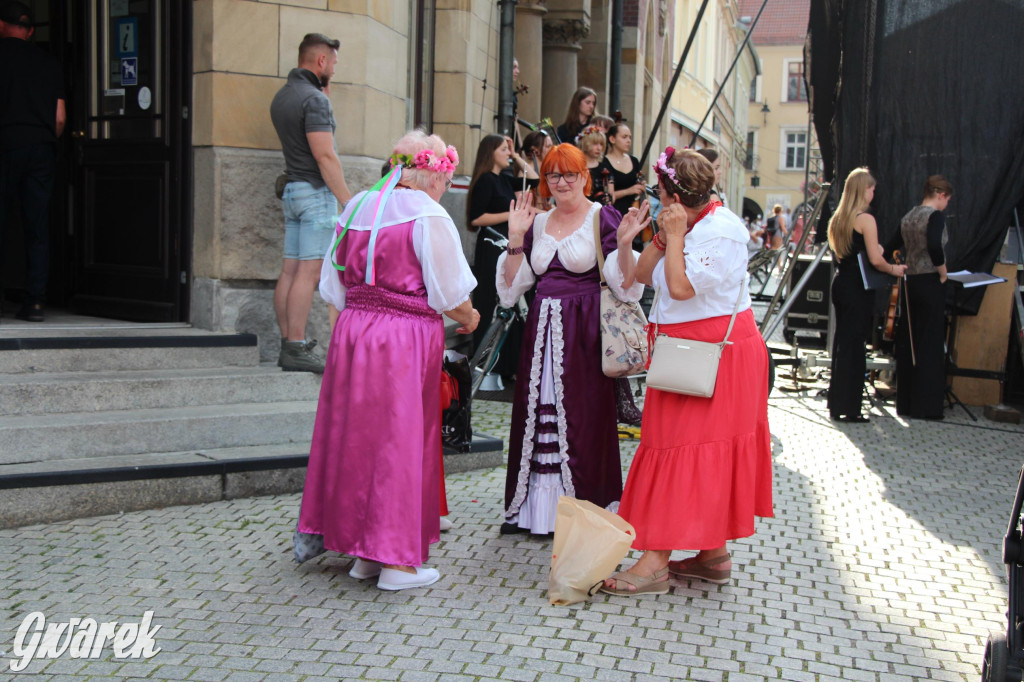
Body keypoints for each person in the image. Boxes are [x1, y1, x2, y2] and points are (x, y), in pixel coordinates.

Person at [294, 130, 479, 591]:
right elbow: (450, 294)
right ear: (432, 176)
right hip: (403, 337)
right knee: (398, 439)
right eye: (445, 180)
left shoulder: (357, 206)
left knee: (358, 437)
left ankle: (366, 553)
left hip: (354, 333)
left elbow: (333, 287)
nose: (443, 189)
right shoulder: (427, 214)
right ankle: (396, 563)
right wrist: (471, 316)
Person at [600, 148, 773, 596]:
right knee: (683, 447)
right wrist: (659, 237)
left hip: (718, 356)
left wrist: (674, 237)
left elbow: (679, 287)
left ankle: (655, 562)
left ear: (676, 195)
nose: (655, 201)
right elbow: (640, 274)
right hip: (686, 352)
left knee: (685, 448)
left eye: (660, 194)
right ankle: (713, 554)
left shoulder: (725, 231)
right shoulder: (683, 223)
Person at [497, 143, 648, 535]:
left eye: (569, 174)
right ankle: (532, 510)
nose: (561, 182)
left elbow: (625, 284)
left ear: (584, 177)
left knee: (584, 420)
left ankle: (583, 511)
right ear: (545, 181)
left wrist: (628, 244)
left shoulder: (603, 218)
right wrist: (516, 237)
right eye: (553, 175)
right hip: (542, 332)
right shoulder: (539, 222)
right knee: (538, 411)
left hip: (585, 333)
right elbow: (513, 288)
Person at [270, 33, 353, 372]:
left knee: (290, 270)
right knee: (309, 272)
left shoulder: (284, 96)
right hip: (314, 193)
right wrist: (348, 202)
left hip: (292, 189)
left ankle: (289, 341)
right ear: (321, 61)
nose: (334, 69)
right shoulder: (314, 101)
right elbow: (325, 156)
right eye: (332, 63)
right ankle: (296, 346)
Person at [0, 1, 66, 322]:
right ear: (28, 30)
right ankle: (35, 302)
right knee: (37, 227)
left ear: (1, 26)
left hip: (5, 144)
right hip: (40, 148)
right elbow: (60, 118)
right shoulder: (48, 63)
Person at [826, 167, 906, 423]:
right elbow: (875, 259)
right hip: (858, 287)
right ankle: (850, 408)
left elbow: (844, 254)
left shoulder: (838, 218)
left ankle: (837, 402)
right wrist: (895, 269)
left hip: (841, 283)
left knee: (842, 344)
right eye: (872, 188)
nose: (874, 192)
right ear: (864, 190)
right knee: (855, 346)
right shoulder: (866, 219)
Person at [892, 175, 952, 420]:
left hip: (910, 284)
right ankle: (925, 406)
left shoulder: (908, 216)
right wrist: (943, 272)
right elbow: (935, 246)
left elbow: (891, 244)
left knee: (909, 342)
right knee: (929, 344)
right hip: (928, 281)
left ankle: (905, 403)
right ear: (940, 195)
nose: (947, 204)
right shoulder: (934, 216)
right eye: (947, 199)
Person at [467, 134, 522, 383]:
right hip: (491, 244)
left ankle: (507, 364)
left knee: (509, 300)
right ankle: (485, 363)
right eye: (503, 149)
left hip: (506, 243)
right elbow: (475, 219)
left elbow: (532, 177)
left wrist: (518, 154)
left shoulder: (504, 179)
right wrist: (509, 216)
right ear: (491, 152)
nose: (508, 154)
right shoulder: (485, 181)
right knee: (491, 300)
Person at [602, 124, 645, 219]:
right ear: (612, 139)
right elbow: (608, 196)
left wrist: (641, 185)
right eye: (624, 137)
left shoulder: (634, 161)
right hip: (614, 213)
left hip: (634, 211)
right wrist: (629, 191)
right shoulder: (605, 163)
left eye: (630, 137)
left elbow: (639, 183)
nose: (628, 141)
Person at [578, 125, 611, 205]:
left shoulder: (604, 167)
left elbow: (611, 194)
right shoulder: (577, 166)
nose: (599, 148)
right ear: (586, 143)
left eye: (601, 144)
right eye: (595, 144)